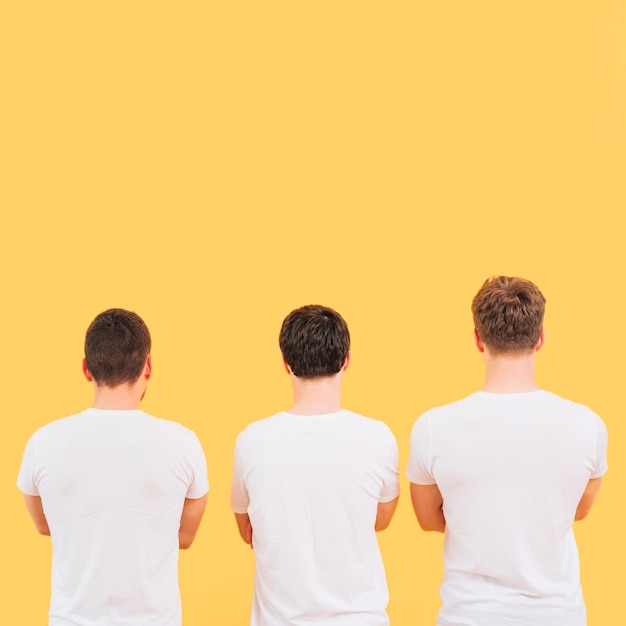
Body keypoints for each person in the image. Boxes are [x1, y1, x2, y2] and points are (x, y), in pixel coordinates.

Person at [407, 276, 608, 626]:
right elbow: (575, 510)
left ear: (477, 340)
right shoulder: (587, 425)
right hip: (558, 616)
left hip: (468, 616)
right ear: (541, 338)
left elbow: (428, 519)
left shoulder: (433, 427)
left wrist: (479, 521)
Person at [17, 308, 208, 626]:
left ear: (86, 369)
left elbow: (44, 525)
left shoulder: (43, 442)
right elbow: (184, 537)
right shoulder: (183, 443)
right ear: (147, 366)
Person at [231, 305, 400, 626]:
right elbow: (380, 519)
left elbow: (248, 529)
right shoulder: (378, 437)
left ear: (286, 364)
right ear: (346, 360)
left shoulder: (252, 440)